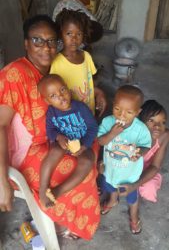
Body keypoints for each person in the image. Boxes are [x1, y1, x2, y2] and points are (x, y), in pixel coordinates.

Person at [0, 14, 100, 240]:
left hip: (55, 137)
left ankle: (66, 214)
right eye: (37, 40)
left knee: (90, 149)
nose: (46, 47)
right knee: (75, 168)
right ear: (26, 43)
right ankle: (59, 211)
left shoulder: (54, 69)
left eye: (51, 41)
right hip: (24, 151)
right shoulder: (14, 74)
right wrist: (2, 179)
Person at [37, 74, 98, 207]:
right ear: (47, 101)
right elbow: (50, 130)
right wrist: (59, 137)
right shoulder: (52, 112)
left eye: (62, 90)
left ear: (68, 90)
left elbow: (93, 127)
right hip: (62, 143)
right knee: (54, 152)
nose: (60, 96)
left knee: (88, 161)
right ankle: (43, 188)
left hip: (82, 142)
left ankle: (57, 191)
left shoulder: (80, 108)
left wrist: (85, 145)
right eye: (53, 96)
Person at [97, 85, 152, 234]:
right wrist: (111, 134)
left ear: (137, 112)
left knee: (132, 198)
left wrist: (140, 152)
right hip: (110, 170)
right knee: (110, 188)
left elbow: (147, 146)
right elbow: (101, 141)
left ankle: (134, 217)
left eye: (129, 112)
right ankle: (112, 200)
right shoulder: (108, 122)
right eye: (117, 109)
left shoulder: (140, 129)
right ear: (113, 105)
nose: (122, 115)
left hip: (130, 176)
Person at [51, 1, 107, 117]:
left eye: (79, 34)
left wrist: (99, 93)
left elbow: (88, 83)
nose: (74, 39)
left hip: (88, 112)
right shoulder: (56, 62)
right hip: (71, 117)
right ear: (61, 34)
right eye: (69, 33)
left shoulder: (86, 56)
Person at [119, 100, 169, 203]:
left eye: (163, 122)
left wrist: (135, 185)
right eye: (151, 120)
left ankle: (137, 189)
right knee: (114, 181)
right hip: (128, 165)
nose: (158, 126)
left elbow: (155, 166)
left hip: (147, 168)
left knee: (149, 189)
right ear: (140, 121)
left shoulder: (164, 136)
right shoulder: (132, 134)